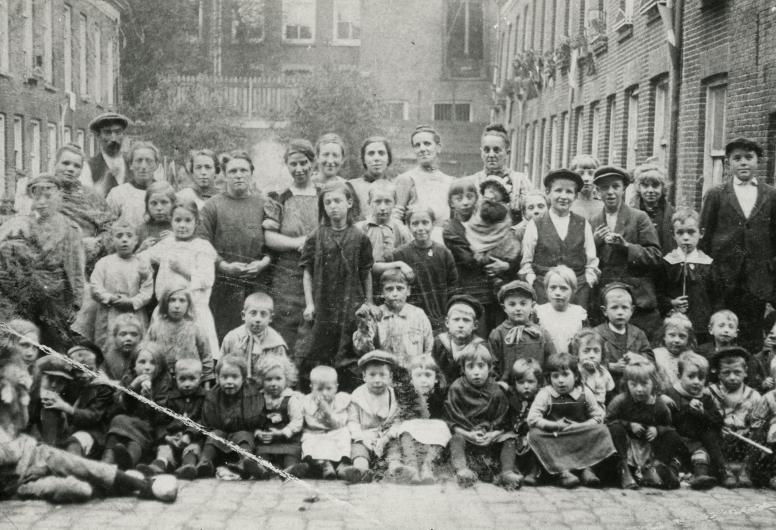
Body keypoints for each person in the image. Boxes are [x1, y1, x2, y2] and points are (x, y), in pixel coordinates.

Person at [0, 340, 177, 504]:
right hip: (14, 482)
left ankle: (140, 484)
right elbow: (11, 451)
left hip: (87, 436)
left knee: (73, 462)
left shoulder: (95, 386)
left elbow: (98, 414)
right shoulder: (54, 388)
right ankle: (120, 481)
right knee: (79, 488)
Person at [700, 138, 776, 351]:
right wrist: (709, 272)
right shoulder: (716, 194)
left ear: (758, 161)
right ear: (728, 164)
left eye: (749, 157)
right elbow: (704, 237)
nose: (743, 163)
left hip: (756, 279)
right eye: (737, 158)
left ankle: (750, 376)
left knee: (751, 332)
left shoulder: (771, 195)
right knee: (722, 327)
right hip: (723, 277)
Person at [300, 180, 373, 391]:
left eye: (338, 201)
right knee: (318, 352)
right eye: (328, 202)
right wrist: (309, 304)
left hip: (351, 305)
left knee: (349, 353)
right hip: (323, 306)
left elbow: (366, 273)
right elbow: (307, 273)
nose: (333, 206)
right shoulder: (316, 236)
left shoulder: (359, 237)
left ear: (349, 202)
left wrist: (368, 302)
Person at [0, 174, 85, 351]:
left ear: (59, 196)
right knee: (21, 343)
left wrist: (76, 303)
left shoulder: (70, 229)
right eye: (37, 197)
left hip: (56, 299)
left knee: (54, 344)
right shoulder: (21, 225)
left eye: (48, 196)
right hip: (24, 296)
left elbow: (76, 270)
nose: (42, 202)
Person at [198, 150, 272, 342]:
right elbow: (202, 243)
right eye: (232, 171)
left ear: (251, 173)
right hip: (224, 285)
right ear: (224, 174)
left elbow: (273, 241)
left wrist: (263, 263)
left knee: (258, 338)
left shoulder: (264, 203)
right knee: (227, 337)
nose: (238, 175)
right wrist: (223, 265)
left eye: (243, 170)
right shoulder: (212, 206)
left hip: (257, 281)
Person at [526, 352, 616, 488]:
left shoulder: (584, 392)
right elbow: (532, 418)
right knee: (534, 434)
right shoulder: (545, 394)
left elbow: (599, 416)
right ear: (549, 378)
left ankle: (588, 469)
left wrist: (580, 426)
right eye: (555, 376)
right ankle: (563, 472)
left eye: (565, 375)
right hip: (556, 437)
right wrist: (554, 425)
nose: (560, 380)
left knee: (602, 430)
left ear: (575, 375)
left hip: (579, 434)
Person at [142, 200, 220, 357]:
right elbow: (144, 258)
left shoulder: (202, 247)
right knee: (162, 354)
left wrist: (183, 270)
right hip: (167, 308)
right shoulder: (167, 244)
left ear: (196, 222)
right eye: (178, 220)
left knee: (196, 352)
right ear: (171, 221)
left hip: (194, 310)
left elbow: (207, 279)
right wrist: (142, 249)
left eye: (188, 220)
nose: (182, 225)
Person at [591, 166, 663, 335]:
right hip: (606, 300)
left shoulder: (639, 218)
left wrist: (627, 247)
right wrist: (594, 243)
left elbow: (655, 255)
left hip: (637, 302)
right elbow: (584, 260)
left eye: (615, 186)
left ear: (624, 189)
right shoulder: (593, 221)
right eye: (604, 188)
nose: (610, 192)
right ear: (597, 191)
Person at [263, 140, 319, 354]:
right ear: (286, 165)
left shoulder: (324, 195)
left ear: (312, 163)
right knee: (286, 323)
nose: (299, 169)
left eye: (304, 163)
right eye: (293, 164)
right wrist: (298, 243)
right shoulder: (278, 198)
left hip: (320, 268)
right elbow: (269, 237)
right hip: (288, 271)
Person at [444, 347, 522, 490]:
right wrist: (469, 434)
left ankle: (507, 472)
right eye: (470, 366)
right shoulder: (456, 389)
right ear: (462, 369)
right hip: (468, 436)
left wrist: (493, 434)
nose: (476, 372)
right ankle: (462, 471)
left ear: (490, 368)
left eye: (481, 366)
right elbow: (451, 420)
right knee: (456, 439)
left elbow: (503, 421)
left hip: (491, 438)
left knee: (509, 438)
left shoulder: (496, 391)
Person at [521, 169, 599, 307]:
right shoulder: (536, 224)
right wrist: (533, 282)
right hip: (543, 292)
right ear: (548, 193)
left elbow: (591, 263)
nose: (563, 196)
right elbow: (526, 263)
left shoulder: (582, 223)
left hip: (577, 292)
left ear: (575, 196)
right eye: (558, 190)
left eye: (569, 192)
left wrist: (587, 282)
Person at [443, 179, 507, 336]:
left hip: (493, 292)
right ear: (451, 203)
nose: (465, 202)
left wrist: (505, 263)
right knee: (478, 335)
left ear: (476, 199)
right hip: (470, 291)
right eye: (459, 199)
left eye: (469, 197)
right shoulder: (451, 229)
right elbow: (468, 260)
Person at [606, 360, 683, 490]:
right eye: (634, 384)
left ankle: (656, 468)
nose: (639, 389)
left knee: (672, 435)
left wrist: (657, 429)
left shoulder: (659, 405)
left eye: (644, 384)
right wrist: (629, 425)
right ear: (626, 384)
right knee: (615, 429)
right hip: (627, 444)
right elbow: (608, 421)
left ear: (653, 384)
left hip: (649, 445)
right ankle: (624, 468)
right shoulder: (620, 401)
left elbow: (668, 425)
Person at [664, 352, 734, 489]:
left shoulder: (706, 397)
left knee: (702, 450)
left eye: (701, 378)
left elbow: (717, 421)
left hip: (697, 441)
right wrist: (687, 409)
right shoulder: (670, 394)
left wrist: (703, 413)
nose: (696, 382)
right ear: (679, 376)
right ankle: (670, 476)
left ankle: (705, 475)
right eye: (691, 376)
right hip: (677, 438)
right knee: (675, 456)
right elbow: (670, 420)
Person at [81, 221, 153, 353]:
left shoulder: (142, 264)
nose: (124, 240)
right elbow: (95, 286)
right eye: (119, 236)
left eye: (129, 236)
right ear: (112, 240)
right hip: (109, 312)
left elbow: (147, 291)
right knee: (107, 346)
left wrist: (132, 302)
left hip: (134, 312)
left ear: (136, 240)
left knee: (136, 347)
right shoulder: (104, 263)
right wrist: (110, 298)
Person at [103, 344, 172, 471]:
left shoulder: (163, 383)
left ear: (160, 367)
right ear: (134, 366)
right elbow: (118, 405)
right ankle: (106, 463)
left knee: (132, 434)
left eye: (153, 363)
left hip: (150, 426)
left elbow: (162, 416)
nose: (147, 367)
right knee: (118, 421)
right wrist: (132, 388)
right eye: (142, 362)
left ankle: (127, 463)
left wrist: (150, 400)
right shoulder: (128, 379)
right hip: (128, 422)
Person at [383, 355, 450, 484]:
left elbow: (443, 419)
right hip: (412, 434)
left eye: (428, 375)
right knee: (405, 429)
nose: (423, 380)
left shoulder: (440, 397)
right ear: (411, 380)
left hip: (432, 434)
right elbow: (403, 416)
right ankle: (411, 467)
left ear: (436, 379)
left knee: (442, 427)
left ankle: (427, 466)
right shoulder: (407, 396)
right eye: (419, 376)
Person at [198, 355, 267, 479]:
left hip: (242, 436)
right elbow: (208, 421)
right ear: (218, 378)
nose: (229, 381)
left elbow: (256, 418)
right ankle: (205, 462)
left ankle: (247, 461)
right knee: (214, 436)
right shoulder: (213, 396)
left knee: (244, 436)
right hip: (221, 437)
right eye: (224, 377)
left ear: (243, 378)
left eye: (235, 377)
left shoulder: (252, 394)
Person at [137, 358, 207, 479]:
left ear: (200, 378)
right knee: (164, 449)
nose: (187, 384)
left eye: (192, 379)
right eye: (182, 379)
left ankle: (188, 466)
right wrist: (167, 436)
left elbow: (205, 421)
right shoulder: (170, 398)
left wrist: (189, 434)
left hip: (194, 438)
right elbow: (161, 421)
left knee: (193, 449)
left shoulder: (205, 398)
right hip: (173, 439)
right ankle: (159, 465)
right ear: (175, 378)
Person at [393, 205, 459, 332]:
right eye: (415, 224)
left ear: (433, 224)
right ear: (408, 226)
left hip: (440, 317)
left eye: (425, 223)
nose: (421, 228)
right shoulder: (400, 254)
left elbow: (454, 287)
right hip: (411, 319)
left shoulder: (443, 252)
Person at [463, 176, 521, 316]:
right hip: (481, 242)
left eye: (495, 190)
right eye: (488, 189)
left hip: (500, 245)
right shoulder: (480, 206)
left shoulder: (500, 209)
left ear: (502, 194)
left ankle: (498, 282)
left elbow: (493, 216)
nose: (490, 192)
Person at [352, 269, 433, 366]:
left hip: (413, 373)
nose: (395, 294)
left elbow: (429, 348)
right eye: (389, 289)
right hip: (385, 374)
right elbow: (362, 350)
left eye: (400, 288)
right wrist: (363, 326)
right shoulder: (376, 315)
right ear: (382, 292)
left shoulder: (418, 315)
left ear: (408, 291)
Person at [657, 208, 715, 344]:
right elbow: (658, 293)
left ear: (701, 233)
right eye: (680, 233)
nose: (686, 238)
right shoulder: (667, 262)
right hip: (674, 325)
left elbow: (715, 297)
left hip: (701, 326)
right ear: (673, 235)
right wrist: (671, 303)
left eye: (691, 232)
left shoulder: (708, 263)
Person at [340, 350, 399, 483]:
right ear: (364, 376)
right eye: (372, 375)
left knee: (394, 450)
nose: (377, 380)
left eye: (382, 375)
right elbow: (352, 421)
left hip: (386, 437)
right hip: (364, 436)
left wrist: (387, 437)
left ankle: (396, 470)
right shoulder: (357, 396)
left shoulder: (394, 396)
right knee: (358, 451)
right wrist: (360, 438)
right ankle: (361, 471)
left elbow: (398, 421)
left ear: (390, 377)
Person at [708, 346, 762, 488]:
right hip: (721, 440)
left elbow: (758, 421)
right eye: (726, 373)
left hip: (744, 441)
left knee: (760, 432)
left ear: (745, 372)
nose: (732, 377)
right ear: (718, 374)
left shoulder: (754, 396)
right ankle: (723, 470)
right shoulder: (710, 393)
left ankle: (747, 469)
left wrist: (748, 430)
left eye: (737, 372)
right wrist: (717, 427)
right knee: (708, 434)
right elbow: (705, 419)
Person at [145, 285, 215, 386]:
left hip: (189, 381)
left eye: (182, 301)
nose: (177, 305)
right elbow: (147, 353)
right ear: (165, 303)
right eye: (172, 300)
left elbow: (206, 356)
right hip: (162, 381)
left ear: (188, 304)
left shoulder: (196, 328)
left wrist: (206, 385)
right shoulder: (156, 328)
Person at [465, 124, 533, 224]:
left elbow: (531, 217)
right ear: (481, 152)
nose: (491, 155)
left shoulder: (521, 181)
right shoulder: (471, 182)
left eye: (497, 150)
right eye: (487, 150)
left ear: (507, 152)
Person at [489, 281, 555, 382]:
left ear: (532, 306)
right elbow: (492, 365)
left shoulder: (541, 333)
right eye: (512, 304)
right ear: (504, 308)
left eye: (523, 304)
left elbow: (552, 362)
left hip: (536, 388)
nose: (518, 308)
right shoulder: (498, 334)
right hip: (507, 389)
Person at [355, 180, 412, 294]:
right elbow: (361, 266)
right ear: (369, 202)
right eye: (377, 202)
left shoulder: (401, 230)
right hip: (365, 288)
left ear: (395, 202)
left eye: (387, 202)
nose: (382, 207)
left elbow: (408, 262)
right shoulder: (360, 230)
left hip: (393, 289)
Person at [253, 355, 306, 478]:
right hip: (267, 441)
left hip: (288, 440)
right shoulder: (259, 398)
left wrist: (282, 432)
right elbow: (254, 420)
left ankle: (289, 470)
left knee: (291, 455)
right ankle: (262, 470)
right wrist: (258, 432)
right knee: (263, 454)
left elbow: (297, 421)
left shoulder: (291, 399)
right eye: (269, 379)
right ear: (261, 380)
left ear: (286, 379)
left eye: (278, 379)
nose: (273, 383)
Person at [592, 283, 653, 388]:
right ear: (604, 311)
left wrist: (638, 358)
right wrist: (611, 366)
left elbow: (651, 358)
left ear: (632, 310)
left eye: (624, 307)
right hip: (607, 387)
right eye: (614, 307)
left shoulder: (638, 333)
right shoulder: (596, 334)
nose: (620, 312)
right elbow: (588, 360)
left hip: (635, 386)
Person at [394, 125, 453, 230]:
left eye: (427, 143)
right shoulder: (406, 179)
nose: (422, 149)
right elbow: (396, 217)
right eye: (417, 145)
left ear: (438, 147)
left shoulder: (450, 181)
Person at [220, 292, 289, 381]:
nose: (258, 319)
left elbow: (282, 372)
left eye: (263, 314)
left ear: (270, 318)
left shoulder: (276, 342)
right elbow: (221, 366)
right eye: (253, 313)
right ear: (243, 315)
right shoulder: (232, 338)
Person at [300, 365, 352, 479]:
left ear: (336, 387)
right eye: (319, 389)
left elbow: (339, 424)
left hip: (335, 431)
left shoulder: (340, 400)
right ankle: (324, 465)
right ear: (311, 387)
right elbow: (304, 420)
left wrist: (328, 412)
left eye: (329, 389)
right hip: (315, 433)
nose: (324, 393)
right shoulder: (306, 401)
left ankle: (343, 465)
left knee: (345, 434)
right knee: (308, 441)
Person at [432, 295, 489, 388]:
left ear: (475, 325)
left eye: (466, 320)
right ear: (447, 322)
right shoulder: (439, 343)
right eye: (456, 319)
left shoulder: (480, 345)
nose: (461, 325)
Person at [106, 141, 162, 230]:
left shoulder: (165, 193)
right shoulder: (117, 194)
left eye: (149, 161)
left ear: (156, 165)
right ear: (130, 164)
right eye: (139, 161)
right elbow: (105, 227)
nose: (143, 166)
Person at [505, 358, 542, 486]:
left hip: (532, 434)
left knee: (536, 440)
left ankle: (533, 472)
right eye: (521, 382)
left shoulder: (541, 398)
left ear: (538, 383)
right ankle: (513, 470)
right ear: (514, 383)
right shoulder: (511, 397)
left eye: (531, 382)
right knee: (508, 443)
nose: (526, 386)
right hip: (515, 434)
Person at [534, 265, 588, 354]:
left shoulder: (579, 314)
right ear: (546, 290)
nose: (558, 293)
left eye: (564, 288)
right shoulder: (539, 312)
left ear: (573, 290)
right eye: (553, 287)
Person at [81, 112, 131, 198]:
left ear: (123, 135)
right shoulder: (88, 167)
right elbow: (88, 200)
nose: (113, 138)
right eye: (107, 132)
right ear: (98, 136)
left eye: (118, 132)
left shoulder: (133, 162)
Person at [630, 160, 675, 253]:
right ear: (639, 188)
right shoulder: (630, 213)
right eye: (645, 186)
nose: (650, 190)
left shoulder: (672, 214)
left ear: (663, 187)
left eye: (655, 185)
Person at [350, 136, 394, 221]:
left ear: (388, 158)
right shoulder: (353, 186)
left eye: (381, 153)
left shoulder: (395, 186)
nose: (376, 158)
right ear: (363, 159)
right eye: (371, 154)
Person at [573, 329, 615, 408]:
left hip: (598, 411)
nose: (592, 355)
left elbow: (610, 394)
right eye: (586, 351)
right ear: (577, 353)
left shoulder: (604, 372)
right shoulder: (574, 372)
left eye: (596, 351)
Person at [653, 314, 695, 389]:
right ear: (664, 336)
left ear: (688, 339)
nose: (676, 340)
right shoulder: (656, 355)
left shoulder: (691, 357)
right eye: (672, 335)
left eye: (682, 336)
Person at [135, 182, 175, 251]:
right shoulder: (140, 231)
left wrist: (178, 240)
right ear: (147, 205)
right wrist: (141, 249)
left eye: (164, 202)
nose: (159, 208)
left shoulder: (180, 228)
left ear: (173, 204)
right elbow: (128, 260)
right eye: (154, 203)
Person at [102, 314, 143, 381]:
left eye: (134, 334)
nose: (128, 338)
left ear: (140, 337)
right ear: (115, 336)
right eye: (123, 334)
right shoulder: (106, 360)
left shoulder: (145, 358)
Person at [569, 154, 602, 220]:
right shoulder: (568, 206)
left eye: (591, 173)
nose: (586, 178)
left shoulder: (604, 207)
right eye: (581, 173)